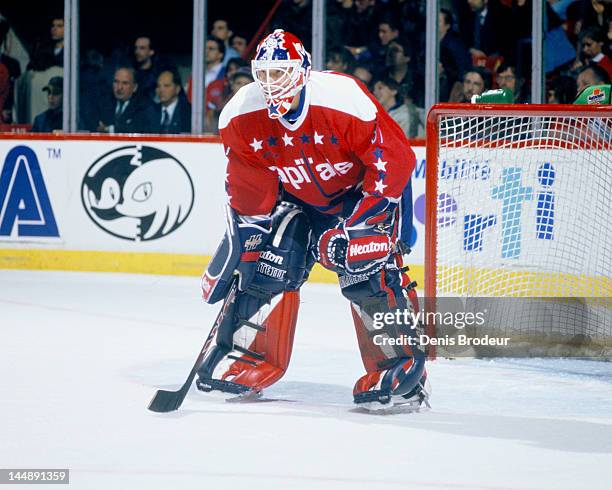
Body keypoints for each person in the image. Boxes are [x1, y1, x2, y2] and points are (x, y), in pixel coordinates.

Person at [196, 29, 428, 412]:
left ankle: (400, 366)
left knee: (365, 267)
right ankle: (244, 358)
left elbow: (395, 159)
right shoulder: (241, 114)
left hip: (360, 196)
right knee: (270, 262)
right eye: (264, 74)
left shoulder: (343, 98)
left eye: (281, 73)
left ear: (302, 71)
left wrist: (359, 226)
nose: (271, 84)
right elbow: (252, 192)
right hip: (298, 200)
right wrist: (245, 246)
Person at [93, 66, 155, 133]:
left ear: (134, 87)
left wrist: (109, 129)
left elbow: (136, 129)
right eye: (116, 82)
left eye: (125, 83)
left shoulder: (144, 105)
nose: (119, 87)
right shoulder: (104, 102)